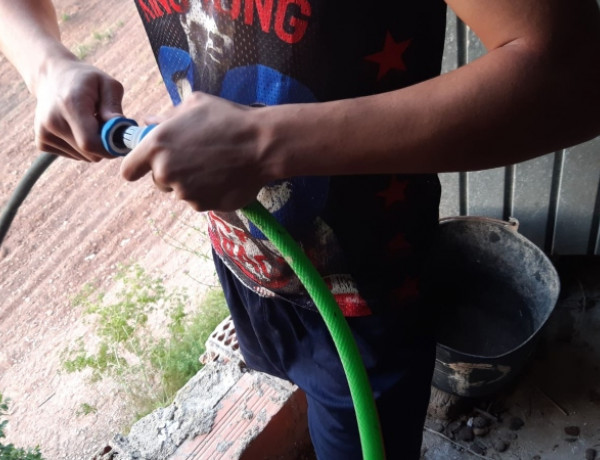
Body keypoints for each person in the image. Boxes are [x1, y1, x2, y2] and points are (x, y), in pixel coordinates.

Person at [1, 1, 599, 458]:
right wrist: (45, 61)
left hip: (370, 294)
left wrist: (266, 145)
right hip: (244, 263)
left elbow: (573, 71)